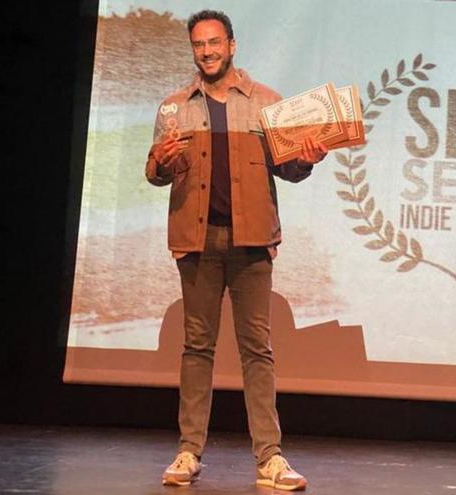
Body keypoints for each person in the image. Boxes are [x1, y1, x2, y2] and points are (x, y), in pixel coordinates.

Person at [144, 9, 326, 491]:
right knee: (196, 348)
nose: (206, 52)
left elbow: (289, 170)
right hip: (197, 242)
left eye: (214, 43)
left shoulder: (267, 103)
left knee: (257, 351)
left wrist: (305, 160)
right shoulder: (174, 107)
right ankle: (188, 453)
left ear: (232, 45)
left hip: (251, 244)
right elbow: (155, 171)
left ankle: (270, 458)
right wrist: (159, 164)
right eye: (198, 45)